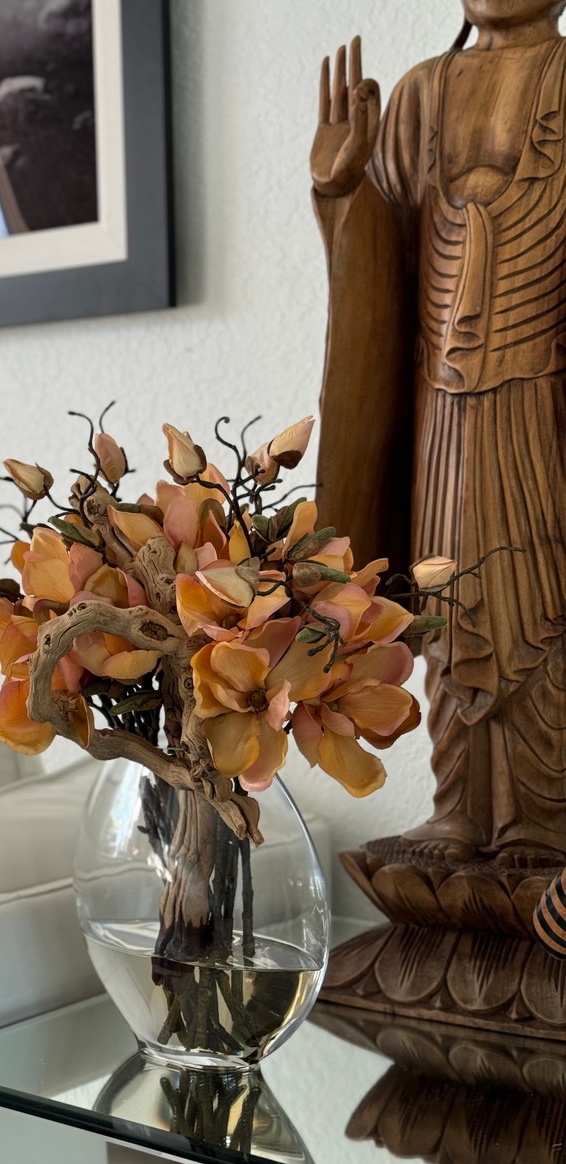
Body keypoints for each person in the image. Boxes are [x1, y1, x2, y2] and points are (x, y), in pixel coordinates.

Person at [311, 4, 566, 865]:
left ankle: (542, 817)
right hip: (441, 409)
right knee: (447, 601)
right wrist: (343, 190)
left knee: (537, 598)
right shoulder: (423, 92)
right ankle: (459, 807)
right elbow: (383, 255)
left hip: (540, 399)